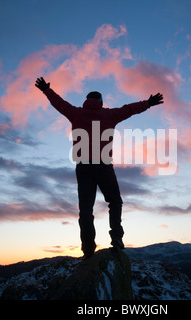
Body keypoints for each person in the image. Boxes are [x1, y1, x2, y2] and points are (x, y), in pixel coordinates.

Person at [35, 77, 163, 259]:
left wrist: (46, 90)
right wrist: (148, 103)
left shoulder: (76, 113)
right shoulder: (109, 115)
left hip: (83, 167)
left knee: (86, 210)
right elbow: (129, 109)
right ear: (101, 103)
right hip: (103, 165)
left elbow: (59, 103)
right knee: (115, 201)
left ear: (86, 102)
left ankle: (88, 248)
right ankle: (117, 238)